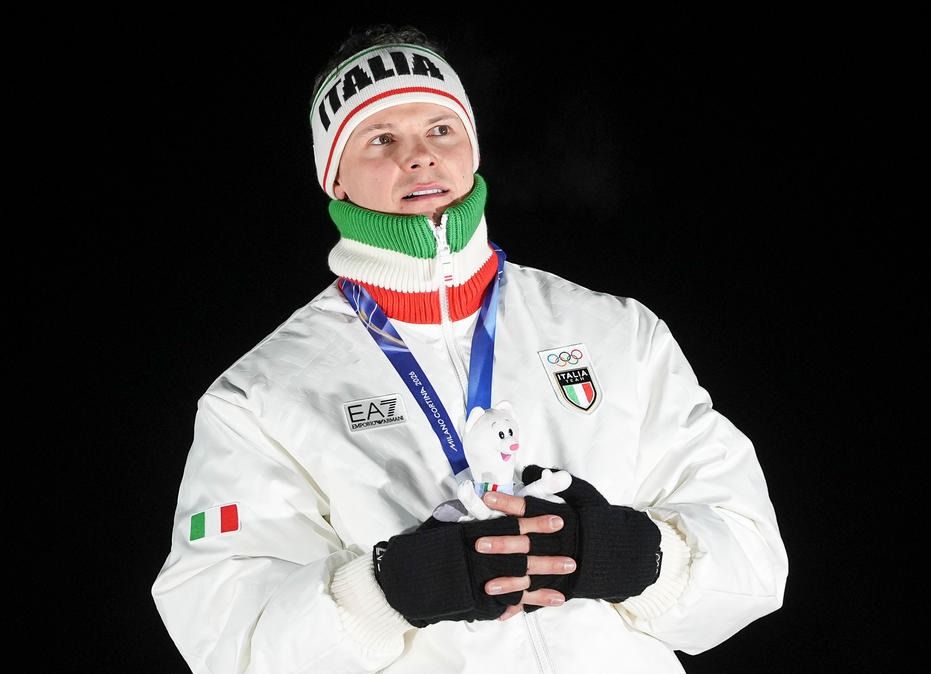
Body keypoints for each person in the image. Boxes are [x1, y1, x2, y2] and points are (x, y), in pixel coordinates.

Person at [151, 23, 788, 673]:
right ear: (334, 177)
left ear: (472, 148)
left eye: (440, 129)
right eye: (381, 139)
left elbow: (756, 559)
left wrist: (637, 556)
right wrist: (385, 592)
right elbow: (231, 643)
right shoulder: (262, 395)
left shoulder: (616, 332)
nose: (420, 157)